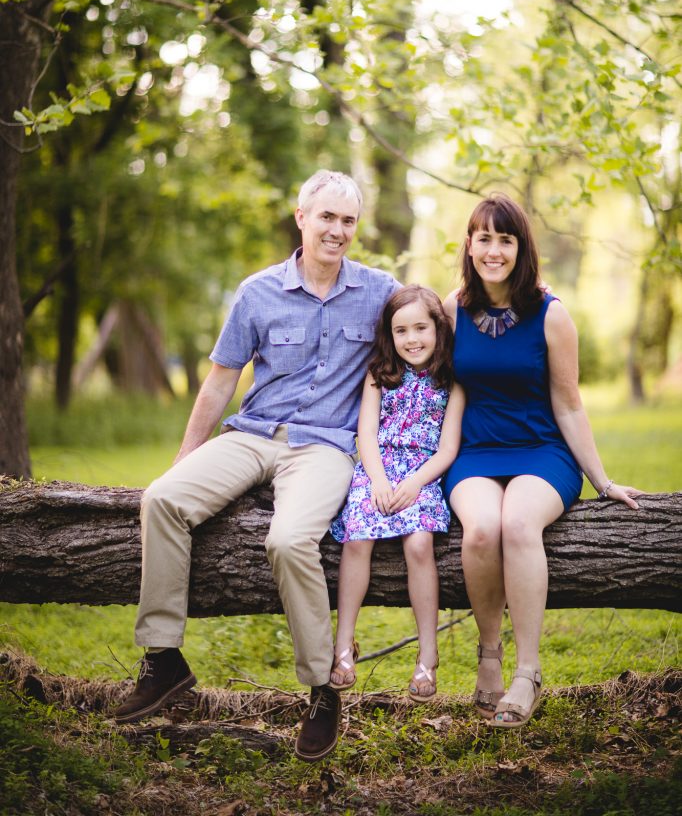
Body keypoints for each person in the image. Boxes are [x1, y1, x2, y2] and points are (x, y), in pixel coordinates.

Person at [113, 169, 400, 763]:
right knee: (162, 499)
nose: (338, 230)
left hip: (325, 447)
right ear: (301, 218)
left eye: (348, 220)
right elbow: (219, 386)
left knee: (290, 540)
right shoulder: (257, 292)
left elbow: (434, 323)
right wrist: (185, 460)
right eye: (327, 217)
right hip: (253, 433)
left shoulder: (380, 291)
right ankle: (163, 658)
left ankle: (322, 689)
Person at [442, 193, 643, 728]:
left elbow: (569, 401)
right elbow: (426, 384)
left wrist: (601, 479)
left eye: (504, 239)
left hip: (542, 451)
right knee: (482, 530)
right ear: (469, 244)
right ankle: (489, 657)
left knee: (517, 522)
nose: (493, 250)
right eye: (483, 238)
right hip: (475, 453)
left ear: (520, 247)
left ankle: (528, 671)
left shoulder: (551, 314)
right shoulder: (451, 309)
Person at [329, 285, 465, 701]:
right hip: (377, 470)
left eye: (422, 327)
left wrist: (413, 484)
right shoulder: (379, 373)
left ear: (439, 329)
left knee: (420, 544)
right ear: (390, 335)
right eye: (401, 330)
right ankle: (343, 646)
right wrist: (380, 482)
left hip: (422, 474)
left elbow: (448, 449)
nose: (412, 339)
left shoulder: (452, 379)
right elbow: (366, 434)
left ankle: (427, 653)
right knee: (357, 540)